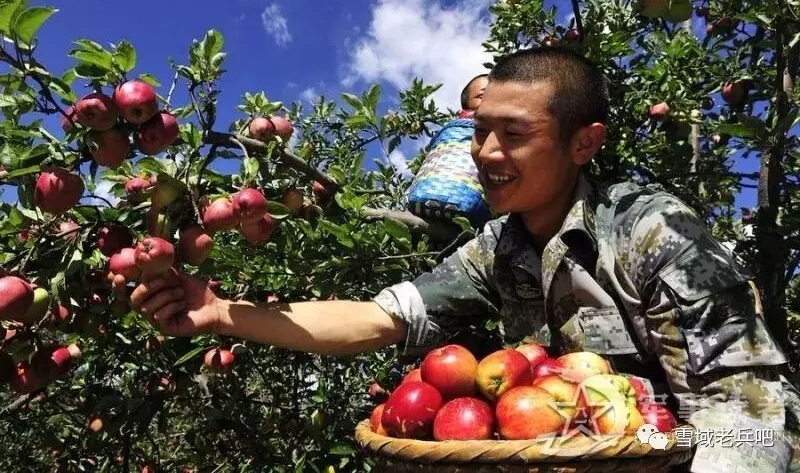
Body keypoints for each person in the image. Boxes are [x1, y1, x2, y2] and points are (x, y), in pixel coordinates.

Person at [112, 48, 799, 472]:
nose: (485, 154)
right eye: (479, 132)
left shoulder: (653, 231)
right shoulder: (496, 247)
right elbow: (378, 319)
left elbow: (751, 405)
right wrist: (220, 313)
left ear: (584, 143)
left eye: (514, 134)